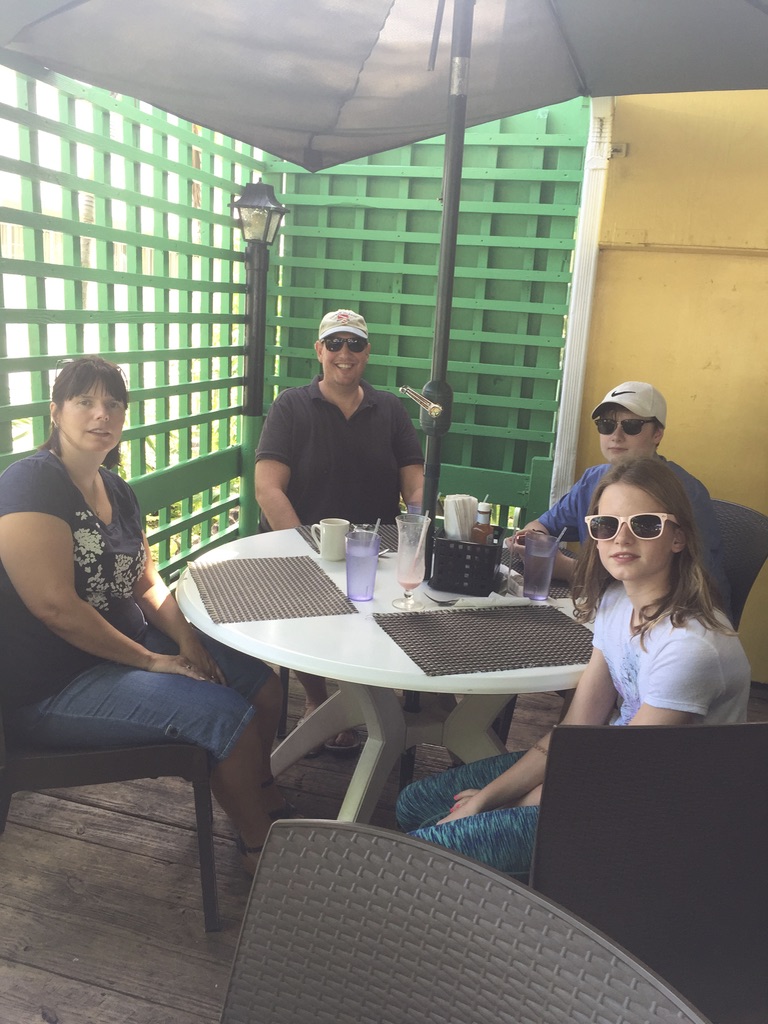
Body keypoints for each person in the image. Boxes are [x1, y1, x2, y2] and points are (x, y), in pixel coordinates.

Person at [0, 356, 290, 875]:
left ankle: (259, 793)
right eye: (85, 401)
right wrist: (153, 662)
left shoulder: (116, 489)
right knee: (227, 714)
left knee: (262, 688)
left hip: (127, 650)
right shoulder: (30, 483)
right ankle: (257, 848)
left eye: (113, 404)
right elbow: (54, 606)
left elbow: (147, 583)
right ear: (56, 412)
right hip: (56, 683)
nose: (101, 414)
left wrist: (186, 640)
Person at [397, 456, 750, 876]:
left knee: (424, 857)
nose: (621, 538)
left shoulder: (689, 648)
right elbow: (578, 727)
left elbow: (619, 773)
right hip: (601, 771)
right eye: (606, 525)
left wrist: (506, 804)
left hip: (654, 816)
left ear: (678, 538)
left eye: (645, 525)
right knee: (415, 804)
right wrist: (487, 800)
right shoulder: (617, 602)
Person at [255, 308, 425, 753]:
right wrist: (304, 548)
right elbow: (268, 488)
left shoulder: (389, 408)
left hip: (375, 547)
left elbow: (415, 482)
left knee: (401, 604)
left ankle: (371, 697)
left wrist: (418, 529)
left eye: (354, 343)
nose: (344, 353)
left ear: (367, 352)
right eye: (334, 343)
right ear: (319, 350)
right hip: (303, 547)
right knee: (304, 603)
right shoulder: (291, 406)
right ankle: (318, 699)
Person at [510, 380, 730, 615]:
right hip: (603, 608)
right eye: (606, 425)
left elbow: (691, 584)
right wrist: (533, 542)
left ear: (657, 433)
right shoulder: (592, 479)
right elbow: (541, 525)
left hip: (670, 616)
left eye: (631, 426)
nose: (616, 435)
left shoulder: (684, 491)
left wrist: (568, 569)